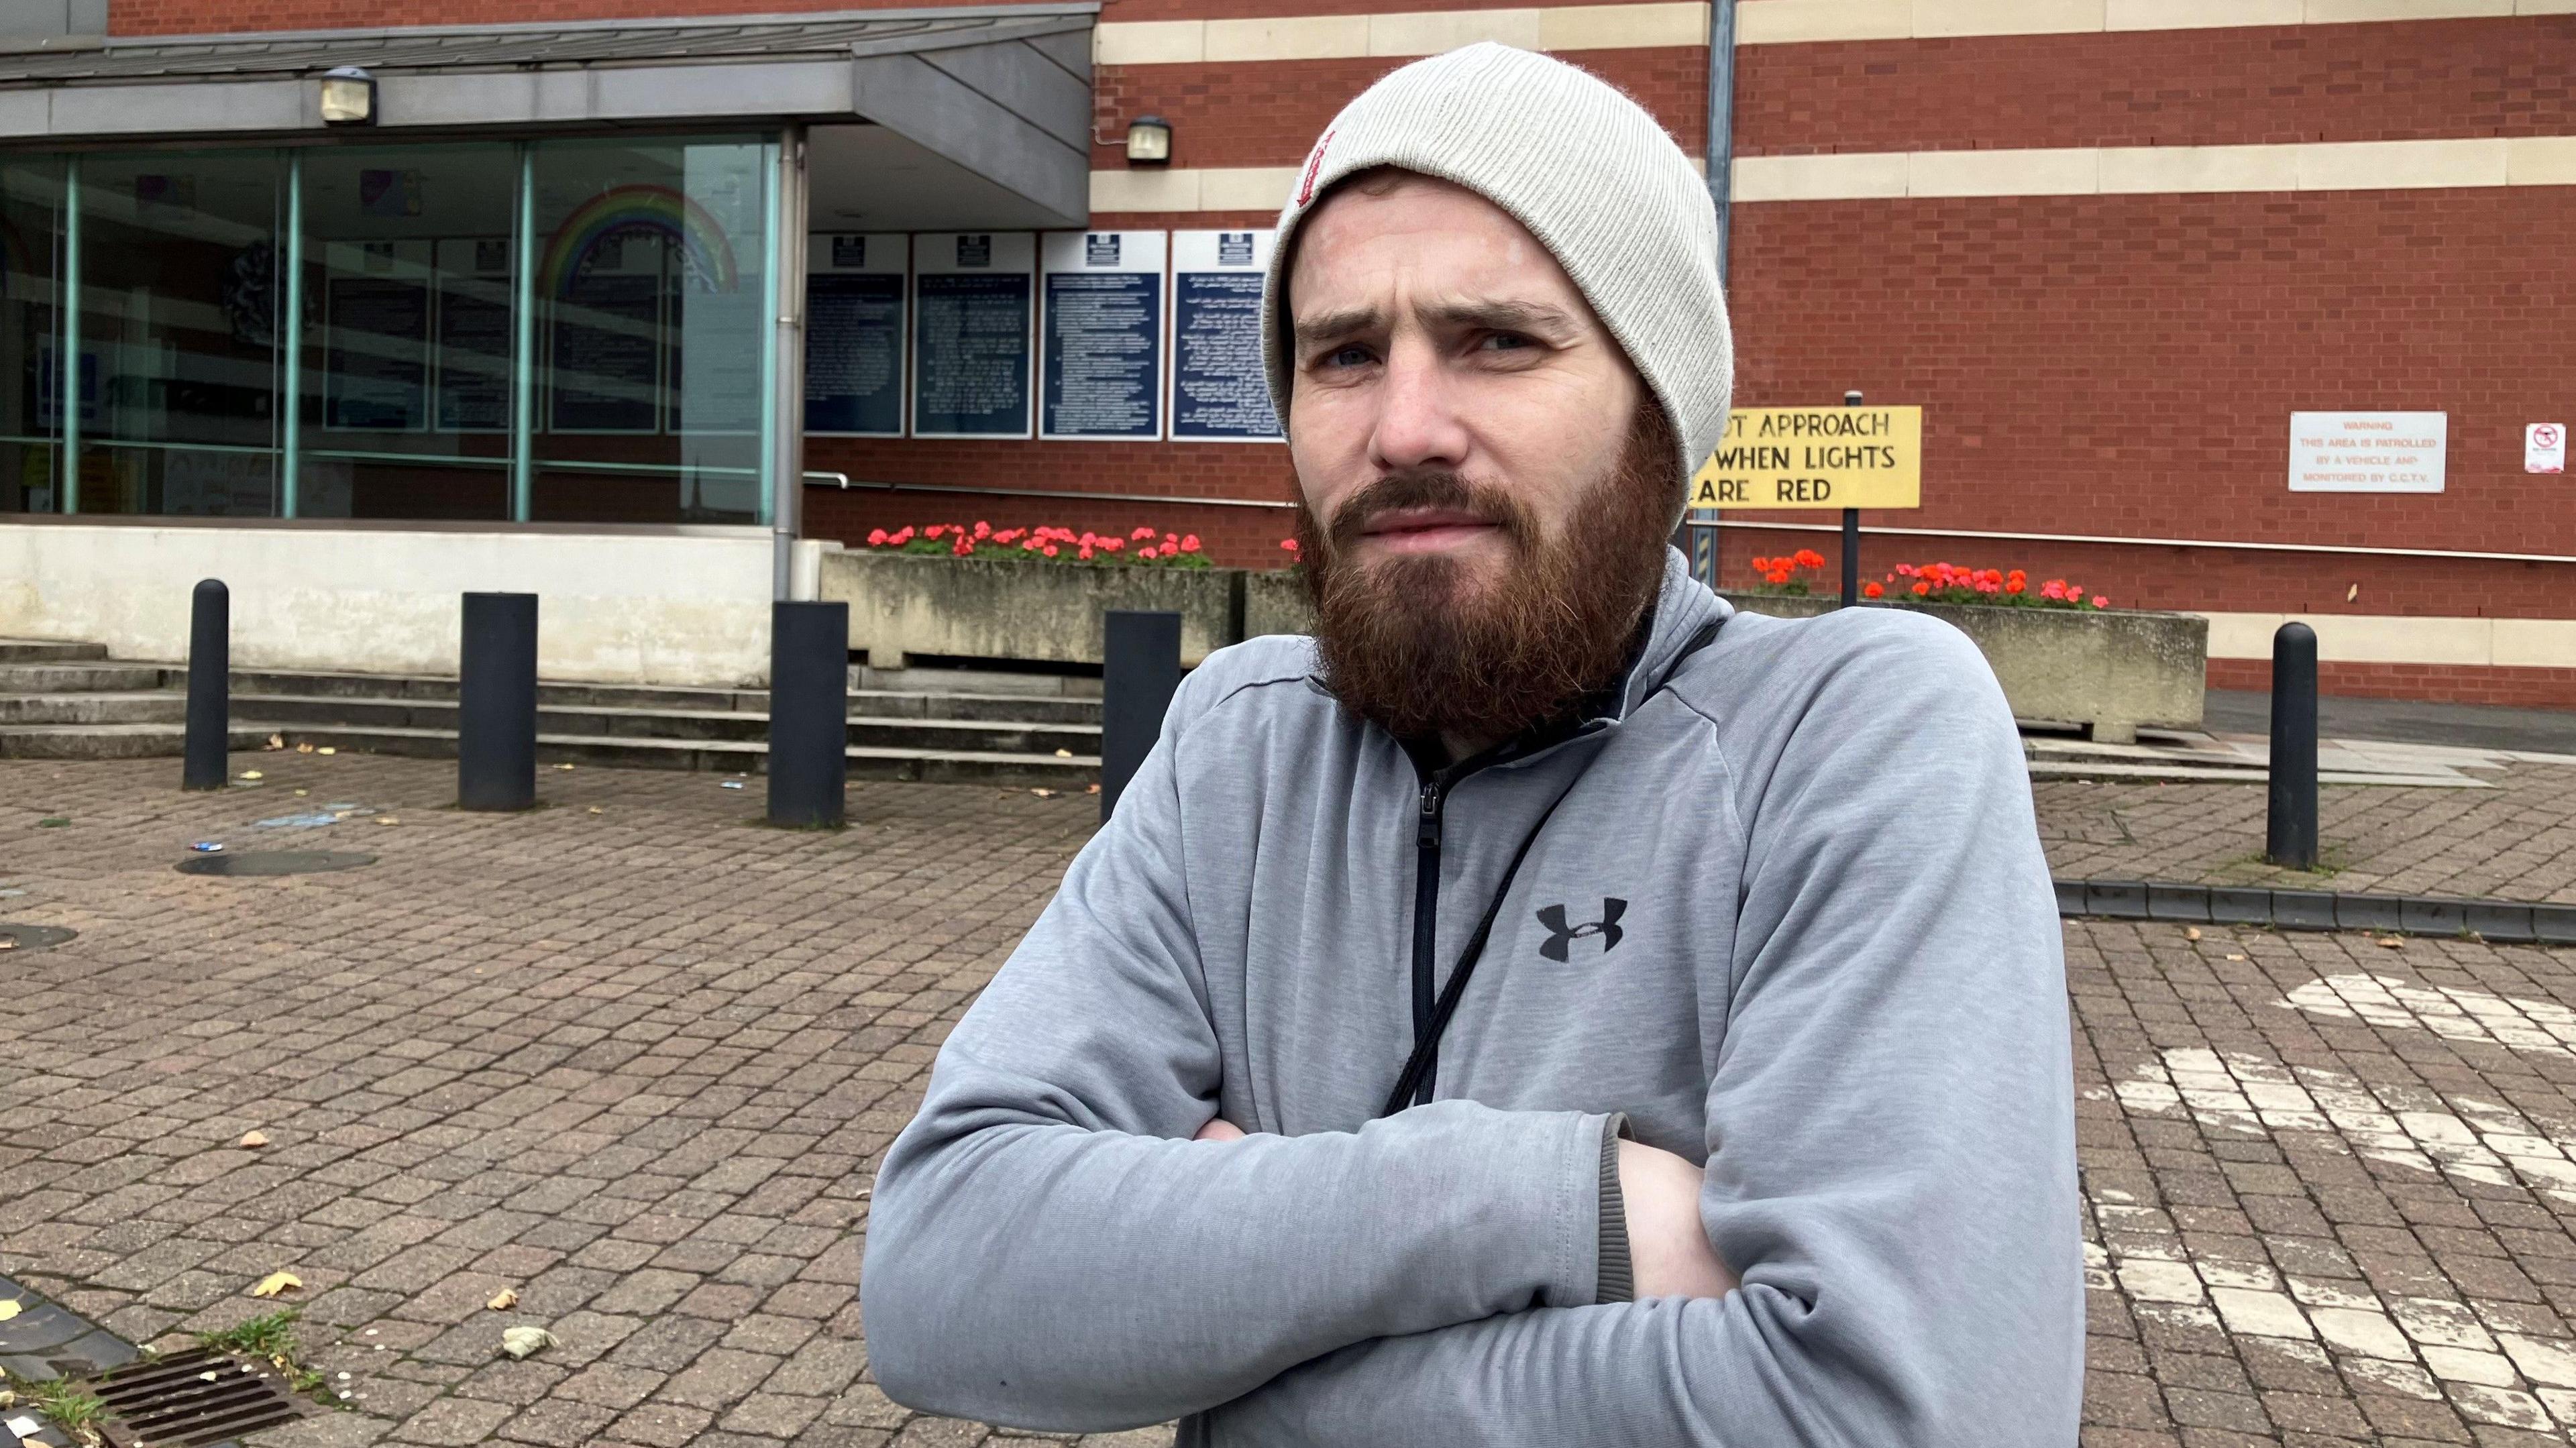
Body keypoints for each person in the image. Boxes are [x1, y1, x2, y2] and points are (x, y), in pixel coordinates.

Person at [861, 42, 2081, 1445]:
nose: (1404, 428)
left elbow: (1903, 1417)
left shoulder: (1846, 737)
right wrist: (1571, 1206)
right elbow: (944, 1277)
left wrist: (1237, 1344)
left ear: (1657, 406)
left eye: (1498, 340)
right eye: (1343, 356)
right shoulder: (1239, 749)